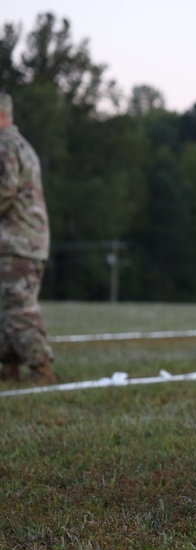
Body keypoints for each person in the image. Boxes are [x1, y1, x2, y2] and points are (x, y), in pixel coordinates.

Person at [0, 92, 56, 384]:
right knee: (7, 305)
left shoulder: (5, 147)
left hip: (17, 242)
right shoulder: (22, 146)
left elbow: (5, 190)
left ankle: (41, 367)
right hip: (25, 240)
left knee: (18, 306)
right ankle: (9, 367)